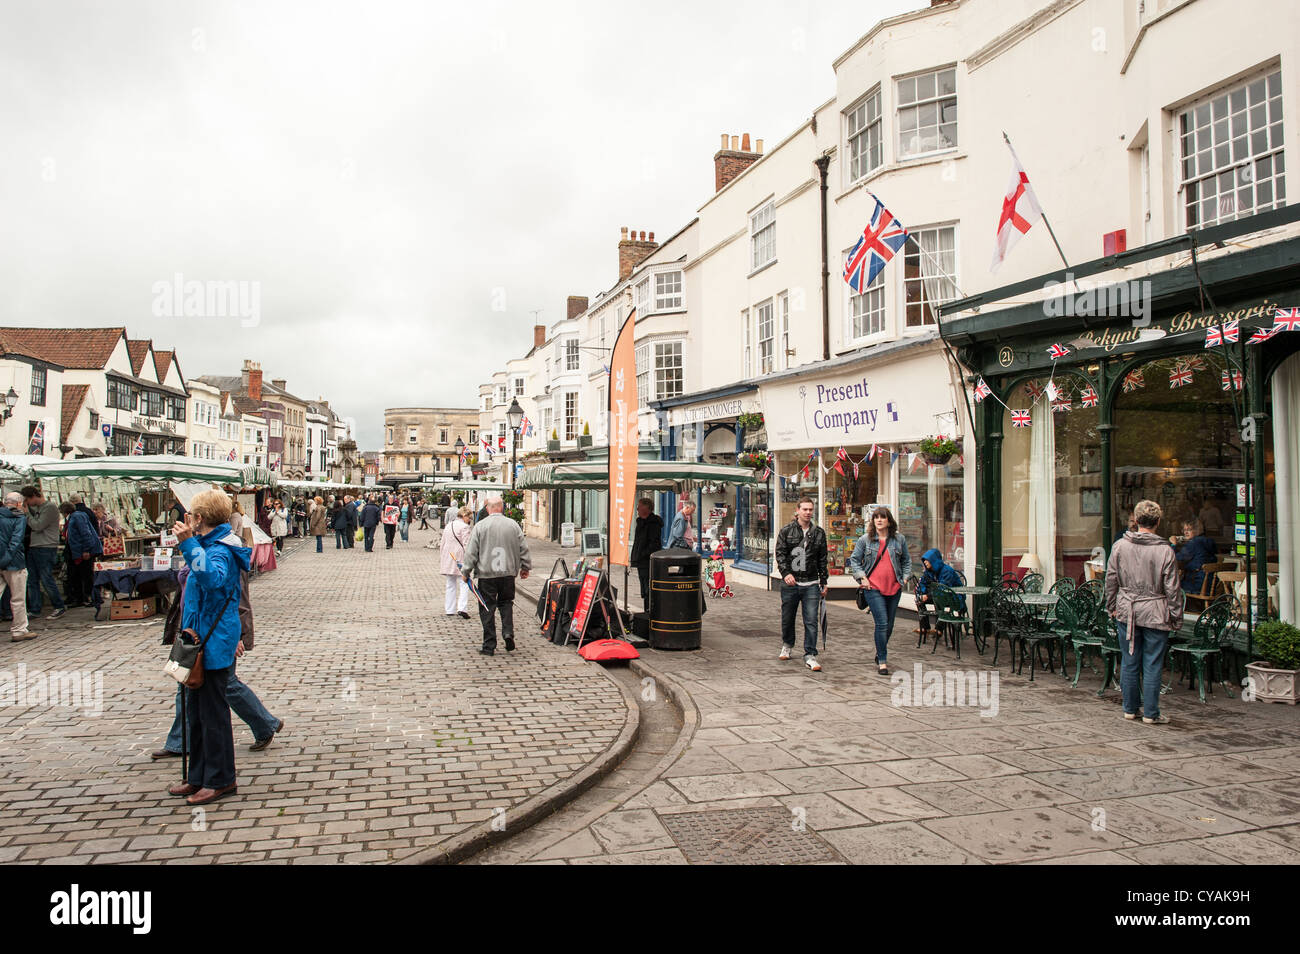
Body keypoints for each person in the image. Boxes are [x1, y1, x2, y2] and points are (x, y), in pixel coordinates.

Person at [166, 490, 249, 805]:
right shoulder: (209, 544)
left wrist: (188, 543)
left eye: (191, 514)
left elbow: (213, 580)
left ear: (198, 518)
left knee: (213, 713)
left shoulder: (222, 548)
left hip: (214, 640)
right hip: (197, 638)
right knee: (196, 713)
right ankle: (198, 775)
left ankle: (220, 779)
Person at [153, 557, 283, 760]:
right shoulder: (196, 548)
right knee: (187, 683)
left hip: (218, 633)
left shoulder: (223, 553)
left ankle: (265, 724)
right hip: (193, 629)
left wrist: (237, 636)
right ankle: (179, 741)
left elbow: (236, 598)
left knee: (226, 684)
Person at [1106, 499, 1183, 725]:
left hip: (1128, 609)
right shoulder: (1164, 551)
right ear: (1158, 522)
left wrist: (1111, 606)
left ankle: (1130, 709)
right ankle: (1151, 713)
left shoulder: (1120, 546)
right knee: (1152, 663)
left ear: (1136, 521)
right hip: (1155, 611)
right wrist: (1176, 617)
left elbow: (1111, 580)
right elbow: (1173, 589)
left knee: (1129, 661)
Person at [462, 496, 531, 655]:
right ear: (501, 508)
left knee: (487, 607)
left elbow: (471, 552)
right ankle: (508, 632)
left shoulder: (480, 526)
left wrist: (466, 572)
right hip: (507, 573)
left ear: (488, 508)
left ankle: (489, 645)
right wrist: (525, 567)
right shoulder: (513, 525)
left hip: (487, 574)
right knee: (506, 603)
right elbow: (524, 548)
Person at [848, 506, 912, 676]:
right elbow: (854, 560)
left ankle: (879, 650)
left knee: (889, 625)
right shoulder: (865, 540)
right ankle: (883, 661)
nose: (879, 520)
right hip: (873, 587)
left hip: (894, 587)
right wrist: (862, 578)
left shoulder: (899, 540)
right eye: (876, 517)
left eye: (882, 517)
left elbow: (906, 560)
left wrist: (904, 578)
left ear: (889, 521)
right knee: (882, 623)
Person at [774, 496, 829, 671]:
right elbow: (780, 554)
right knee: (787, 618)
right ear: (797, 510)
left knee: (811, 620)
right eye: (804, 509)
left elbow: (823, 559)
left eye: (810, 509)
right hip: (791, 584)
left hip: (811, 583)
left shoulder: (819, 533)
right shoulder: (786, 531)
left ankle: (810, 654)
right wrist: (785, 573)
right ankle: (788, 644)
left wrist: (824, 581)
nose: (808, 513)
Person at [21, 486, 66, 620]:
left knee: (46, 578)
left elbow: (38, 525)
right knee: (32, 580)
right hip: (35, 546)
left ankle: (59, 606)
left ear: (33, 496)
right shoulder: (39, 509)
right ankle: (35, 609)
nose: (27, 503)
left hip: (46, 547)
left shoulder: (50, 508)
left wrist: (27, 513)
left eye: (27, 500)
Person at [0, 493, 32, 641]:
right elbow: (16, 540)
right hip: (14, 562)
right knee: (18, 598)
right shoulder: (19, 518)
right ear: (19, 503)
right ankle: (19, 629)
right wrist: (6, 559)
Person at [60, 501, 101, 611]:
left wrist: (86, 550)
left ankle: (91, 597)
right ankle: (82, 598)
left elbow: (85, 533)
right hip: (77, 551)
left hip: (83, 551)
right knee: (78, 576)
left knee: (86, 575)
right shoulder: (75, 517)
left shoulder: (77, 517)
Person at [914, 548, 964, 637]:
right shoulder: (929, 572)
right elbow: (922, 583)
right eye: (924, 561)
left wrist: (928, 596)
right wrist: (921, 594)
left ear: (933, 560)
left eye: (927, 560)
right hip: (937, 596)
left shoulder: (947, 571)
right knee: (919, 600)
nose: (925, 562)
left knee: (940, 600)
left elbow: (942, 588)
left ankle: (939, 629)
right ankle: (925, 627)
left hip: (953, 597)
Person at [629, 498, 664, 611]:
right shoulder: (640, 522)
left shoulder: (653, 524)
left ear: (646, 508)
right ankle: (646, 611)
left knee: (648, 587)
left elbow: (654, 544)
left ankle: (650, 612)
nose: (637, 509)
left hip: (647, 561)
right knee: (644, 588)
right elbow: (638, 541)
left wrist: (642, 554)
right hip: (641, 561)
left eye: (640, 506)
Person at [441, 505, 473, 619]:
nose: (469, 520)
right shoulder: (464, 527)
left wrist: (443, 557)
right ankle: (462, 608)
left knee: (450, 584)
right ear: (464, 515)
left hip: (449, 557)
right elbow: (467, 545)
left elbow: (443, 543)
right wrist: (471, 560)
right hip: (460, 558)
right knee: (464, 583)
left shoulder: (449, 525)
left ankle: (449, 609)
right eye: (469, 517)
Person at [1172, 517, 1217, 595]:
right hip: (1210, 584)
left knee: (1169, 587)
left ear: (1197, 530)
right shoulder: (1208, 541)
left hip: (1196, 584)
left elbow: (1174, 558)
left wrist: (1173, 544)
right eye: (1184, 530)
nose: (1185, 532)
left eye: (1189, 530)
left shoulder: (1193, 543)